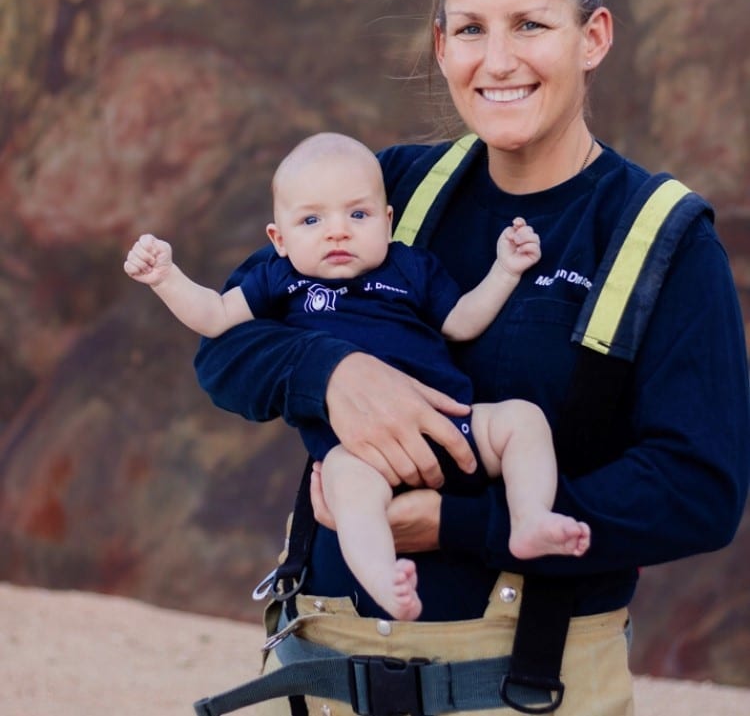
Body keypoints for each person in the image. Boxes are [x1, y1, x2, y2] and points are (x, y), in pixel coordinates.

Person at [192, 0, 750, 716]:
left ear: (592, 37)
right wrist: (325, 370)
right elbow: (221, 347)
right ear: (440, 45)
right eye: (470, 30)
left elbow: (698, 491)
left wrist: (460, 524)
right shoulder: (385, 194)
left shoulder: (661, 236)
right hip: (328, 669)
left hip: (531, 688)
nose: (498, 60)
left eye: (530, 24)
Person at [124, 131, 591, 622]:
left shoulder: (410, 266)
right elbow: (216, 318)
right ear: (278, 239)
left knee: (523, 420)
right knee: (346, 488)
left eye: (358, 215)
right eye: (311, 220)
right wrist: (166, 279)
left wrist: (505, 270)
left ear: (387, 222)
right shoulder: (281, 279)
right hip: (362, 452)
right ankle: (384, 579)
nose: (338, 232)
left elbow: (462, 320)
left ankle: (530, 517)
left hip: (453, 425)